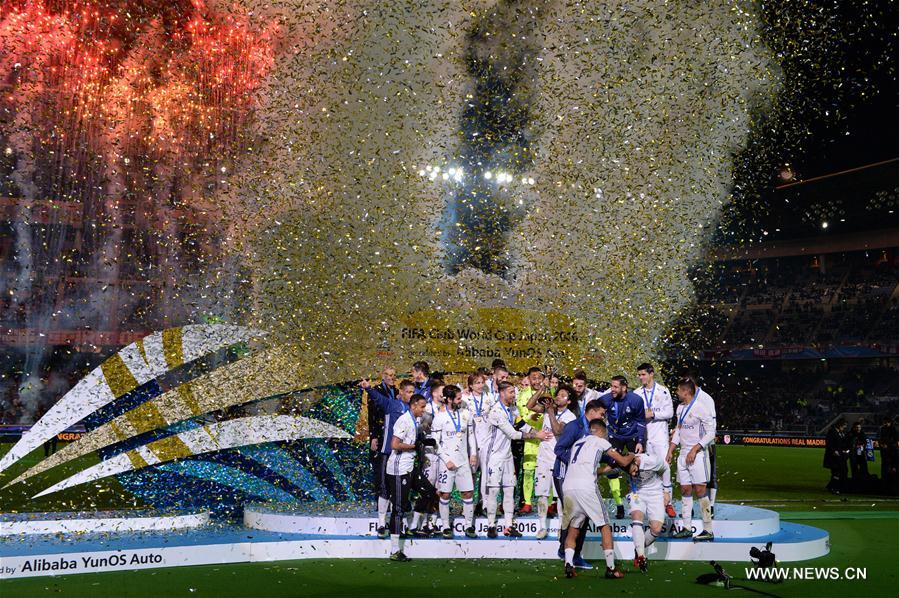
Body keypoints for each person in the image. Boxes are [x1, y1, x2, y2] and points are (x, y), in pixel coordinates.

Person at [561, 418, 635, 580]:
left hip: (568, 487)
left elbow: (587, 467)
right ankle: (611, 568)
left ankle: (568, 564)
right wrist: (631, 454)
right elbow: (623, 461)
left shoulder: (577, 443)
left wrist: (605, 470)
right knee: (604, 525)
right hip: (586, 488)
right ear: (601, 431)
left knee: (573, 528)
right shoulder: (600, 441)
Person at [484, 381, 552, 538]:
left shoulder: (513, 409)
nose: (513, 395)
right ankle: (491, 525)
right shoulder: (496, 412)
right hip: (494, 456)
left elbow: (522, 424)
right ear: (502, 393)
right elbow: (513, 434)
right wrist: (536, 435)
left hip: (507, 456)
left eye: (514, 392)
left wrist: (536, 432)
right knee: (494, 491)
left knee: (509, 490)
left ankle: (508, 526)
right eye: (510, 392)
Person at [553, 398, 607, 570]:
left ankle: (573, 554)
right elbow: (559, 449)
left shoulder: (592, 430)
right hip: (564, 474)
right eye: (601, 414)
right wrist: (577, 462)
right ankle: (566, 551)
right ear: (592, 411)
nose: (603, 418)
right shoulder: (574, 426)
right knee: (572, 512)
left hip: (578, 476)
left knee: (582, 513)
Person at [359, 377, 416, 538]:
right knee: (384, 488)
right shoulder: (393, 405)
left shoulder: (414, 410)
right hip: (388, 452)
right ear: (401, 392)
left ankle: (401, 524)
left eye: (413, 392)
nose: (411, 394)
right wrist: (368, 388)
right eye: (408, 392)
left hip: (405, 456)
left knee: (402, 491)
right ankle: (381, 524)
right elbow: (379, 398)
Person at [667, 378, 715, 541]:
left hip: (698, 455)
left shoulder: (701, 408)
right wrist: (671, 450)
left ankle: (708, 529)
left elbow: (711, 433)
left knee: (700, 491)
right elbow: (678, 430)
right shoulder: (680, 408)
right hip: (683, 455)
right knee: (685, 490)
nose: (676, 393)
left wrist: (695, 449)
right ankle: (687, 527)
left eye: (678, 390)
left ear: (686, 391)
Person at [527, 384, 578, 538]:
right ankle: (542, 527)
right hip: (543, 458)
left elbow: (557, 430)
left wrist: (550, 412)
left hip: (559, 460)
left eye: (563, 395)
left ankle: (562, 527)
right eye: (558, 394)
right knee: (542, 494)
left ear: (569, 401)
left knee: (560, 496)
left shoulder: (570, 417)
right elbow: (530, 406)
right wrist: (541, 389)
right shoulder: (549, 409)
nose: (558, 397)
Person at [385, 394, 429, 562]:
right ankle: (394, 550)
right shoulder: (404, 420)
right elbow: (394, 445)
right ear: (414, 405)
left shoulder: (415, 420)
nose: (424, 410)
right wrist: (414, 446)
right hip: (399, 469)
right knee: (398, 508)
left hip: (409, 466)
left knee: (428, 491)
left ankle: (412, 526)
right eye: (422, 407)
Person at [431, 385, 478, 538]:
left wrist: (473, 454)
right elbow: (435, 443)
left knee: (468, 492)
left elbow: (471, 435)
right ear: (449, 399)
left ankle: (468, 526)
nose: (460, 400)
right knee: (445, 494)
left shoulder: (466, 414)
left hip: (463, 461)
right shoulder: (439, 418)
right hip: (447, 463)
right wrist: (446, 460)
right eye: (457, 398)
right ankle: (445, 526)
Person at [599, 376, 647, 519]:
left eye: (615, 387)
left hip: (632, 435)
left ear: (624, 388)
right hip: (614, 436)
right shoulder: (605, 400)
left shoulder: (636, 400)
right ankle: (619, 505)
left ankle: (639, 503)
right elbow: (594, 413)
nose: (612, 390)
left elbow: (641, 422)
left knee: (636, 469)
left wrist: (640, 441)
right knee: (613, 467)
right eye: (611, 386)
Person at [636, 363, 676, 518]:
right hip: (645, 437)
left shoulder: (663, 391)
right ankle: (651, 501)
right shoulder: (637, 393)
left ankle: (669, 502)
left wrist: (652, 414)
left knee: (665, 468)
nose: (640, 377)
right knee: (647, 470)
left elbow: (670, 413)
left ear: (651, 374)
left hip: (660, 436)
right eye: (639, 375)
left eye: (643, 374)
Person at [410, 381, 445, 536]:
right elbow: (421, 431)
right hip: (429, 454)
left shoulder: (447, 410)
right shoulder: (427, 409)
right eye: (442, 391)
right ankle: (418, 524)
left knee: (438, 489)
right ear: (435, 393)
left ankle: (431, 523)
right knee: (427, 489)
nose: (445, 395)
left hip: (442, 453)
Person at [626, 452, 667, 572]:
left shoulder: (651, 461)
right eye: (630, 473)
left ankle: (638, 548)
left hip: (655, 492)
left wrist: (667, 490)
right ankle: (641, 557)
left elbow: (666, 468)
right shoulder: (624, 463)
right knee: (636, 517)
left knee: (656, 529)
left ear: (636, 462)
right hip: (637, 492)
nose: (633, 474)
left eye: (634, 470)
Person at [516, 367, 546, 513]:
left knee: (547, 470)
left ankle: (549, 503)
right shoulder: (523, 395)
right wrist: (535, 431)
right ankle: (527, 503)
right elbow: (524, 417)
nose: (537, 381)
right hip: (531, 437)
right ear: (528, 379)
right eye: (534, 378)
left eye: (539, 378)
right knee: (528, 471)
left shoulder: (550, 393)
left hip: (547, 437)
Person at [365, 367, 394, 499]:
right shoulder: (376, 391)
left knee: (390, 470)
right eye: (388, 374)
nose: (391, 377)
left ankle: (391, 500)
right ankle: (381, 502)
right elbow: (372, 415)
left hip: (392, 436)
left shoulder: (396, 391)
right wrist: (374, 436)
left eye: (393, 375)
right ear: (382, 376)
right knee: (380, 470)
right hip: (380, 435)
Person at [824, 419, 849, 494]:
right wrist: (834, 451)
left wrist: (844, 450)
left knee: (838, 472)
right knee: (836, 472)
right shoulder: (832, 432)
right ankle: (834, 488)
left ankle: (831, 486)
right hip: (833, 456)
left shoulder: (840, 432)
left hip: (839, 456)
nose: (844, 428)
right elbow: (829, 443)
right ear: (840, 425)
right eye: (844, 426)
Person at [878, 416, 897, 494]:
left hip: (891, 451)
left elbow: (895, 440)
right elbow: (880, 438)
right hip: (884, 451)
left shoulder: (894, 429)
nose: (885, 424)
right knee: (884, 467)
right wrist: (881, 444)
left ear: (890, 422)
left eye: (886, 422)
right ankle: (884, 485)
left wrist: (888, 445)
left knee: (890, 468)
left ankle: (890, 487)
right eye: (884, 422)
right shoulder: (882, 429)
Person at [849, 420, 870, 488]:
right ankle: (855, 482)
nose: (858, 428)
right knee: (854, 468)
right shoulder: (850, 434)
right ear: (854, 427)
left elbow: (865, 442)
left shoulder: (862, 433)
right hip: (853, 454)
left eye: (859, 427)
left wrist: (862, 445)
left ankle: (863, 482)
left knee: (863, 468)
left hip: (861, 453)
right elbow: (848, 443)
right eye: (857, 427)